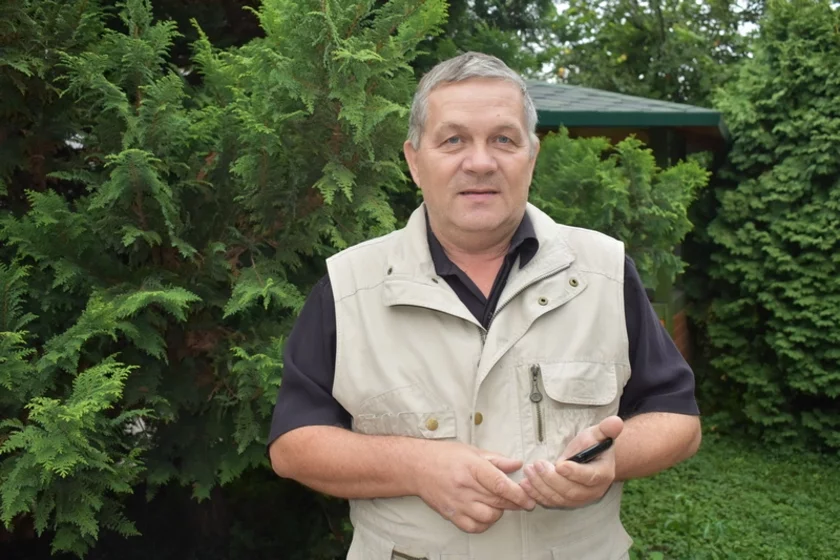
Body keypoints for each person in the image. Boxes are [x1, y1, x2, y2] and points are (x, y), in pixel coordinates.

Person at [267, 52, 701, 560]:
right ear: (414, 161)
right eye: (453, 140)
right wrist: (417, 466)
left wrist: (613, 460)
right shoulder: (348, 287)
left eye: (503, 140)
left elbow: (679, 419)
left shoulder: (604, 272)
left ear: (531, 157)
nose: (480, 162)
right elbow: (293, 444)